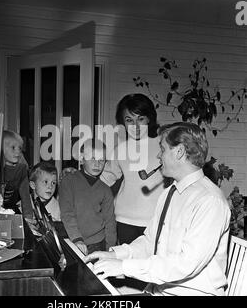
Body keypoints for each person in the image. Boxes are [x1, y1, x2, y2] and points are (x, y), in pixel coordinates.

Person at [85, 122, 231, 296]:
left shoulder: (210, 201)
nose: (158, 155)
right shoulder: (170, 192)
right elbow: (150, 241)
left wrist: (124, 267)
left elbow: (185, 264)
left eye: (162, 149)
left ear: (179, 152)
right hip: (159, 290)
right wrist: (116, 255)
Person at [100, 93, 165, 244]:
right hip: (124, 221)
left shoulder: (163, 144)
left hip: (156, 221)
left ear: (149, 118)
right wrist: (80, 177)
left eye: (140, 119)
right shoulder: (120, 149)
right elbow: (104, 181)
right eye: (129, 120)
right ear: (123, 122)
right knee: (127, 266)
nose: (135, 126)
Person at [58, 139, 117, 255]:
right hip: (73, 241)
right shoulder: (68, 181)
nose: (97, 164)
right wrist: (77, 239)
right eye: (93, 158)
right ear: (81, 158)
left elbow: (110, 222)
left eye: (101, 160)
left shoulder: (105, 189)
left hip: (97, 243)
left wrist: (110, 250)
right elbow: (67, 213)